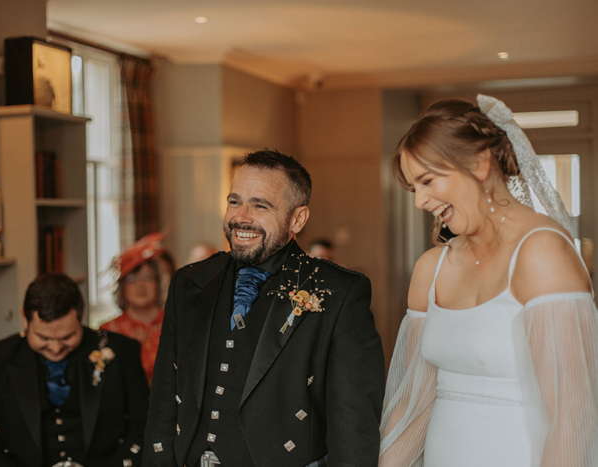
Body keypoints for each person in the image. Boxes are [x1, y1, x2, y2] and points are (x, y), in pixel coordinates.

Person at [380, 95, 598, 467]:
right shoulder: (430, 268)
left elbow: (572, 419)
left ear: (480, 163)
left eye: (428, 181)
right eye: (414, 188)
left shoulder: (542, 254)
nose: (420, 201)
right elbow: (412, 404)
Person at [143, 149, 385, 467]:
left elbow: (354, 421)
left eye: (260, 205)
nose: (241, 217)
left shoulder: (339, 292)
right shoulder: (189, 282)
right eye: (234, 201)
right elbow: (165, 396)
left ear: (297, 218)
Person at [0, 273, 149, 467]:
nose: (56, 348)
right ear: (25, 319)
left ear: (81, 316)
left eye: (67, 337)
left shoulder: (122, 351)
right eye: (43, 338)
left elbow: (144, 427)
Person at [101, 232, 175, 385]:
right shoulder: (108, 331)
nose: (140, 285)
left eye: (147, 278)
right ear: (122, 288)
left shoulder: (176, 325)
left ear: (158, 283)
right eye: (132, 280)